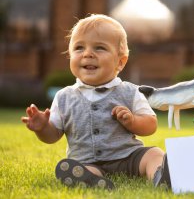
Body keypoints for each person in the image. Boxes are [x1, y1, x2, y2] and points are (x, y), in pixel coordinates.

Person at [21, 14, 170, 189]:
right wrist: (43, 128)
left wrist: (133, 121)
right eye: (79, 48)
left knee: (154, 154)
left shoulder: (130, 91)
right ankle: (91, 180)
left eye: (99, 48)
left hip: (129, 158)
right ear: (70, 56)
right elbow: (53, 136)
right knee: (80, 168)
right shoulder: (64, 97)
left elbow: (151, 125)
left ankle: (160, 177)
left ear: (120, 62)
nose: (88, 54)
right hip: (87, 162)